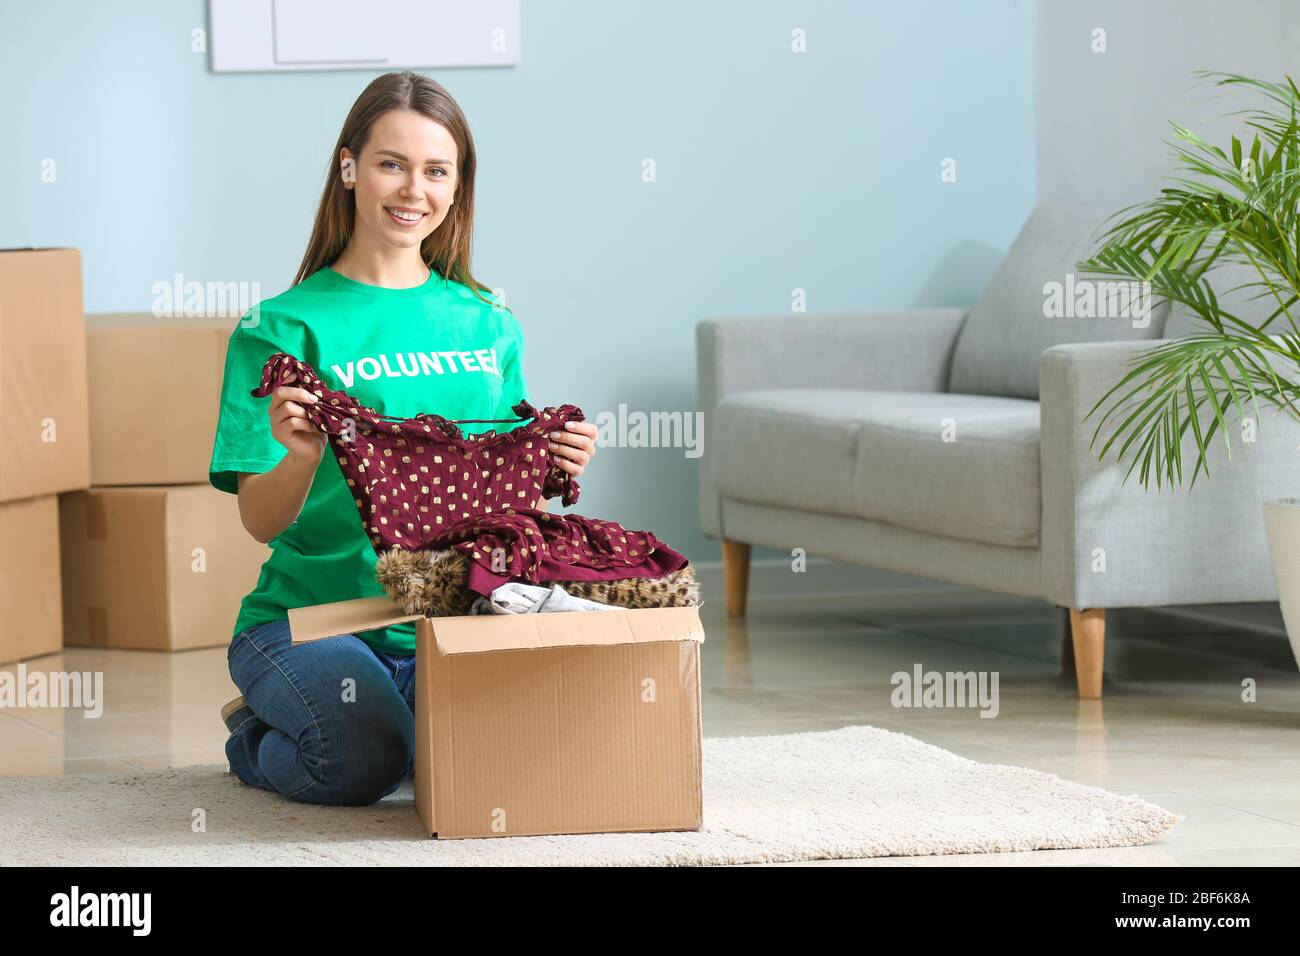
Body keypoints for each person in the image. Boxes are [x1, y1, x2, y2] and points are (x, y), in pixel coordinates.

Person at [208, 71, 598, 806]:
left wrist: (557, 464)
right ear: (349, 167)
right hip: (314, 620)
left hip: (448, 619)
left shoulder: (489, 322)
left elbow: (503, 508)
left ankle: (393, 720)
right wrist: (302, 454)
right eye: (391, 163)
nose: (412, 189)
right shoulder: (282, 327)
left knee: (526, 755)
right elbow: (260, 521)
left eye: (436, 170)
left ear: (457, 187)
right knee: (364, 761)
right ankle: (257, 736)